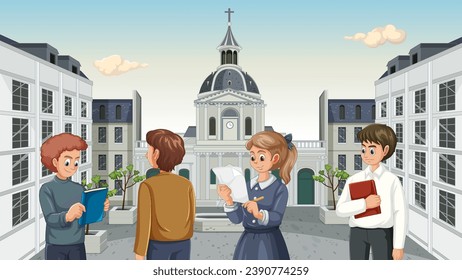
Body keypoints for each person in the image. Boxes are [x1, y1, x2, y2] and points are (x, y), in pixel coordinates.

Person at [217, 131, 298, 260]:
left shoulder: (279, 188)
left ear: (275, 159)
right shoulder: (247, 185)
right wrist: (229, 200)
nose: (256, 162)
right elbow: (237, 219)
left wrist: (259, 213)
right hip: (247, 241)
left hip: (269, 242)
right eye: (252, 157)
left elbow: (277, 217)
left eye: (261, 157)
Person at [336, 123, 408, 260]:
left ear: (385, 150)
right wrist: (364, 204)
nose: (366, 155)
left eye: (372, 150)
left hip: (383, 233)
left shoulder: (391, 180)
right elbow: (340, 209)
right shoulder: (354, 179)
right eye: (363, 149)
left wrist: (398, 246)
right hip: (357, 232)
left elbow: (400, 213)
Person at [39, 133, 110, 260]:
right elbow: (50, 218)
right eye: (67, 161)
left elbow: (87, 216)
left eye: (76, 161)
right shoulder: (47, 189)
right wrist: (67, 216)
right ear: (55, 161)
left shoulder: (79, 188)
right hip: (56, 245)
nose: (72, 166)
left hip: (78, 244)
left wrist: (101, 209)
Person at [134, 129, 196, 260]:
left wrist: (140, 253)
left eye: (149, 151)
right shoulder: (186, 184)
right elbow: (191, 216)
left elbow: (144, 223)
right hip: (184, 243)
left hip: (158, 245)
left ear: (156, 154)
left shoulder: (148, 185)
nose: (146, 155)